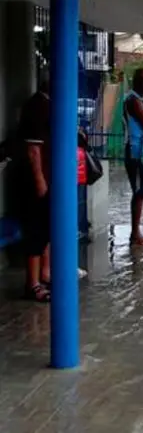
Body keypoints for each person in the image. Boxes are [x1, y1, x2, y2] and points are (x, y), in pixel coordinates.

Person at [16, 78, 52, 302]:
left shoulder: (45, 105)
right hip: (37, 180)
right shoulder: (38, 106)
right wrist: (40, 180)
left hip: (46, 177)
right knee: (36, 230)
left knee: (44, 229)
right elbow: (33, 149)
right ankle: (33, 283)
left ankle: (43, 275)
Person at [123, 68, 143, 246]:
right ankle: (135, 233)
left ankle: (137, 232)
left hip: (141, 151)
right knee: (140, 191)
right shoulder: (134, 100)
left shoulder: (140, 99)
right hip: (136, 151)